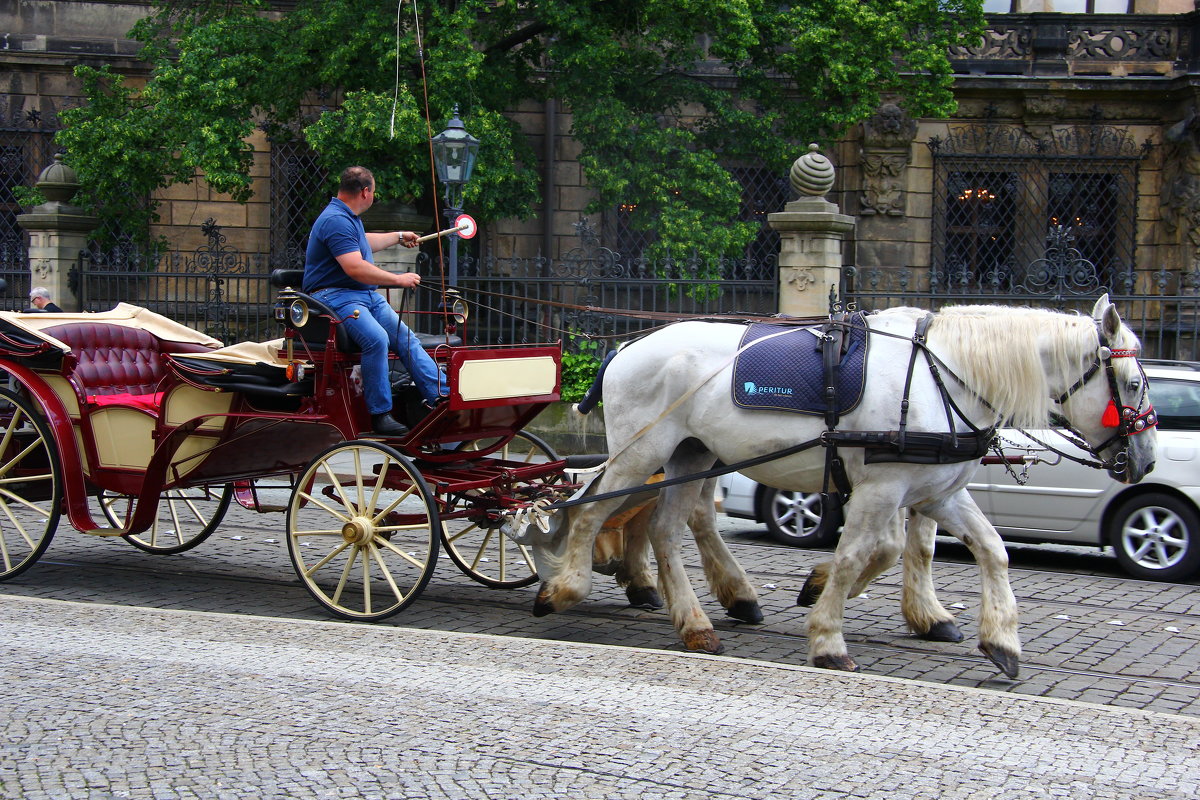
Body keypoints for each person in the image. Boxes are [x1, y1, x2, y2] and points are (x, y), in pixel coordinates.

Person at [303, 166, 445, 436]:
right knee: (376, 339)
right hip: (334, 296)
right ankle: (380, 415)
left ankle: (442, 395)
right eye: (374, 192)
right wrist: (397, 279)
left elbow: (363, 242)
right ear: (366, 192)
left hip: (363, 296)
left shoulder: (347, 217)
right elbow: (355, 267)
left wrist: (399, 236)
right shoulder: (335, 219)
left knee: (405, 337)